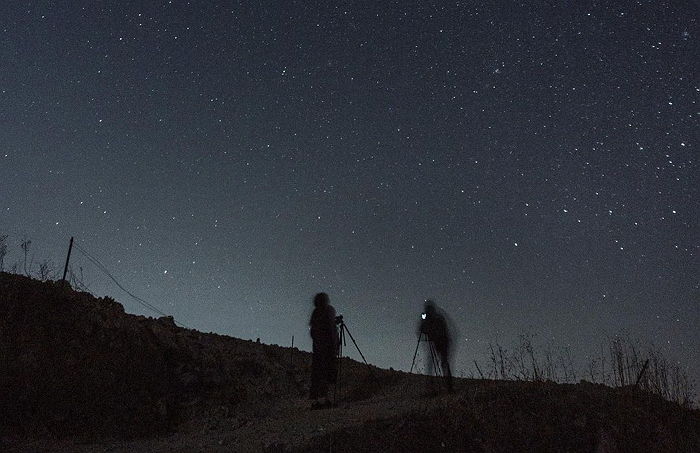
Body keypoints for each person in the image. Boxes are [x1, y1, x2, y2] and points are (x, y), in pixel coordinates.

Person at [309, 292, 339, 407]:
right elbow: (331, 330)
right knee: (328, 372)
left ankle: (315, 401)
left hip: (317, 349)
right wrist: (335, 345)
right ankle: (326, 399)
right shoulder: (329, 310)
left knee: (317, 373)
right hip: (328, 349)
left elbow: (313, 332)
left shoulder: (315, 314)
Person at [418, 300, 454, 392]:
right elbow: (422, 331)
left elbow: (440, 331)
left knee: (444, 363)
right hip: (436, 342)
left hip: (442, 343)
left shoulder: (438, 319)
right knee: (434, 364)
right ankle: (431, 387)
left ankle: (449, 386)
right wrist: (423, 321)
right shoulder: (430, 319)